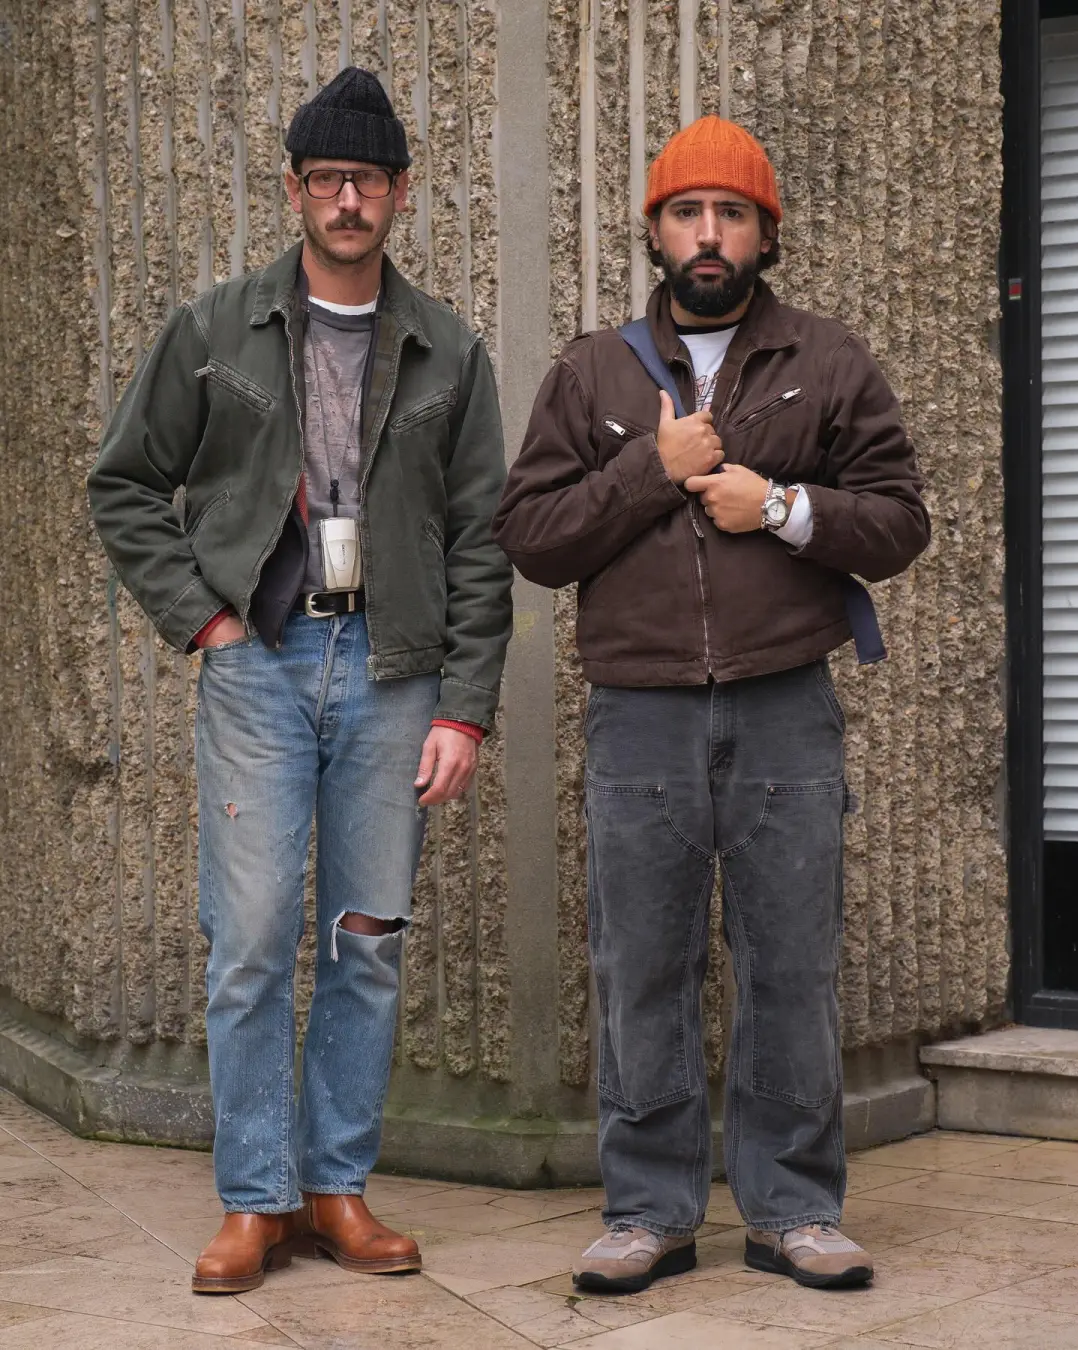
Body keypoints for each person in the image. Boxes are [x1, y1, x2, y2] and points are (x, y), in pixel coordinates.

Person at [88, 67, 513, 1294]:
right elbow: (125, 483)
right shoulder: (216, 330)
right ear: (294, 190)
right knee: (253, 940)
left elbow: (482, 537)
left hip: (394, 670)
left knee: (365, 940)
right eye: (327, 179)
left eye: (366, 180)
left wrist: (465, 706)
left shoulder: (447, 348)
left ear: (400, 193)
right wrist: (206, 623)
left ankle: (335, 1189)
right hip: (261, 662)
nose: (347, 200)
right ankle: (254, 1199)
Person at [493, 116, 930, 1295]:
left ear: (764, 235)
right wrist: (655, 468)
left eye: (732, 214)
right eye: (687, 211)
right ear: (654, 230)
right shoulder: (592, 371)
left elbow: (900, 521)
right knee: (641, 965)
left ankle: (795, 1210)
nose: (708, 233)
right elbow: (530, 538)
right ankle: (648, 1211)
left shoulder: (826, 360)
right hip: (639, 713)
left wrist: (781, 507)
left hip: (786, 703)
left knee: (791, 962)